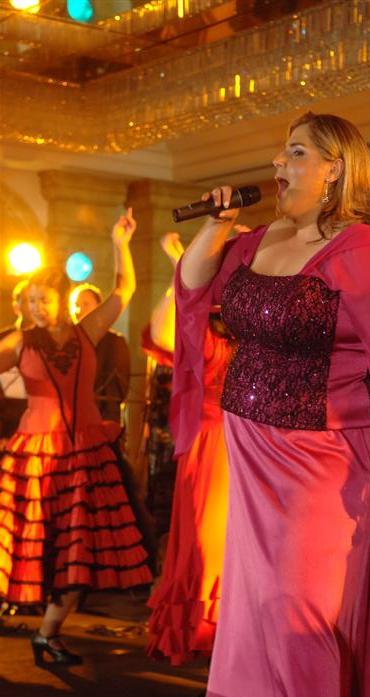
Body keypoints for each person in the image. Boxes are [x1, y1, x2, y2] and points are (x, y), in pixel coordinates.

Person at [171, 112, 370, 697]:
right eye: (281, 152)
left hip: (325, 459)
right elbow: (193, 284)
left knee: (301, 617)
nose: (277, 164)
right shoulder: (254, 242)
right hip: (251, 449)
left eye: (295, 152)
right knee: (253, 615)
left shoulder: (364, 254)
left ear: (334, 169)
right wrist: (216, 224)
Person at [0, 209, 152, 666]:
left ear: (62, 298)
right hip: (36, 455)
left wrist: (120, 243)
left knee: (78, 550)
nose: (36, 308)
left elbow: (124, 290)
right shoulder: (18, 341)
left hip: (86, 454)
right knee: (27, 546)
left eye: (43, 300)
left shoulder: (89, 331)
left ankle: (48, 634)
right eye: (31, 301)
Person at [145, 233, 233, 665]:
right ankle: (205, 631)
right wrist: (180, 274)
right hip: (213, 445)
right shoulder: (208, 336)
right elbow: (163, 335)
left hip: (257, 446)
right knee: (207, 539)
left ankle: (234, 638)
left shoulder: (253, 330)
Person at [70, 282, 130, 424]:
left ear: (99, 308)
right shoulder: (70, 341)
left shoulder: (114, 341)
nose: (79, 310)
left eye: (85, 304)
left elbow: (116, 390)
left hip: (102, 418)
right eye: (76, 305)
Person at [0, 280, 32, 448]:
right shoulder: (3, 338)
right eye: (26, 300)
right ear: (16, 306)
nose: (32, 306)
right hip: (7, 416)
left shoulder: (51, 341)